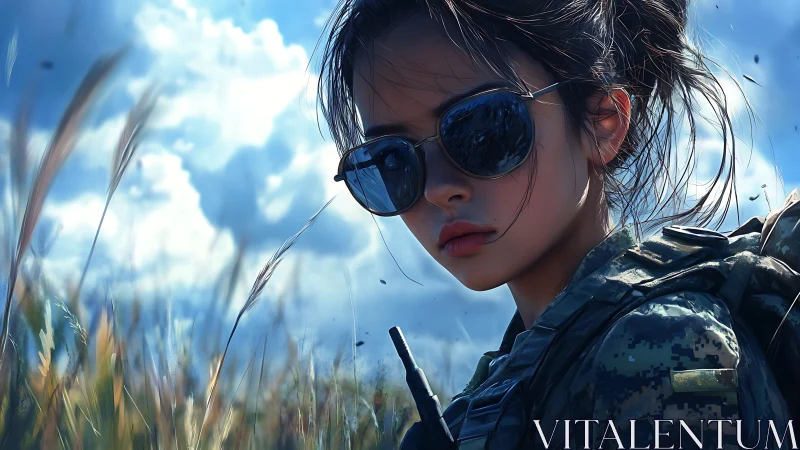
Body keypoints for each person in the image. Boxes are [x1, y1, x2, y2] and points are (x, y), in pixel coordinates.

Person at [313, 0, 796, 448]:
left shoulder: (663, 349)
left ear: (602, 124)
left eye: (482, 129)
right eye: (389, 161)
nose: (438, 188)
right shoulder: (515, 379)